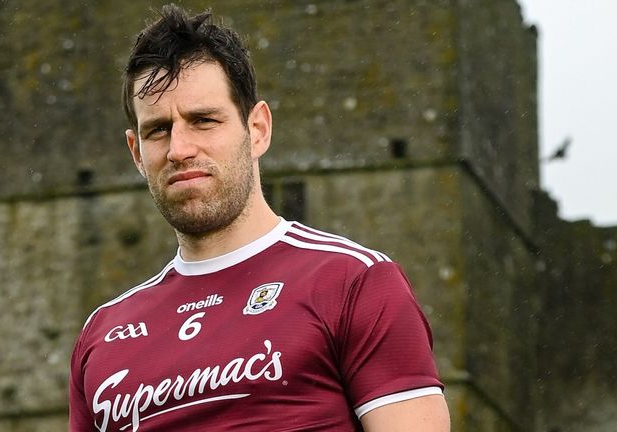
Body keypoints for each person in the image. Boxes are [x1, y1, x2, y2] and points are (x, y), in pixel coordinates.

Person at [69, 4, 450, 431]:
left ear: (258, 129)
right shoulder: (101, 334)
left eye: (203, 120)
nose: (179, 149)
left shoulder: (352, 282)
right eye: (158, 130)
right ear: (137, 153)